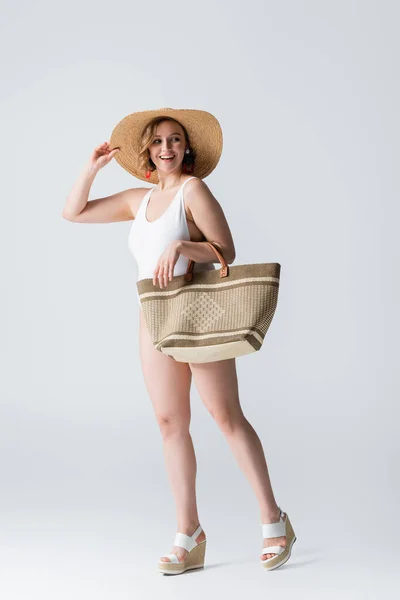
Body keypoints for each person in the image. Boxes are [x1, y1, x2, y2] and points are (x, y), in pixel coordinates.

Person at [62, 107, 296, 575]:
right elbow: (74, 212)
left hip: (198, 314)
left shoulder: (194, 189)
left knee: (226, 416)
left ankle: (274, 520)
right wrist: (91, 168)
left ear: (186, 148)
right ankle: (189, 534)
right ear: (148, 152)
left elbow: (226, 250)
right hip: (154, 318)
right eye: (157, 142)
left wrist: (183, 246)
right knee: (170, 423)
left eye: (174, 140)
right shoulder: (137, 199)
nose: (166, 148)